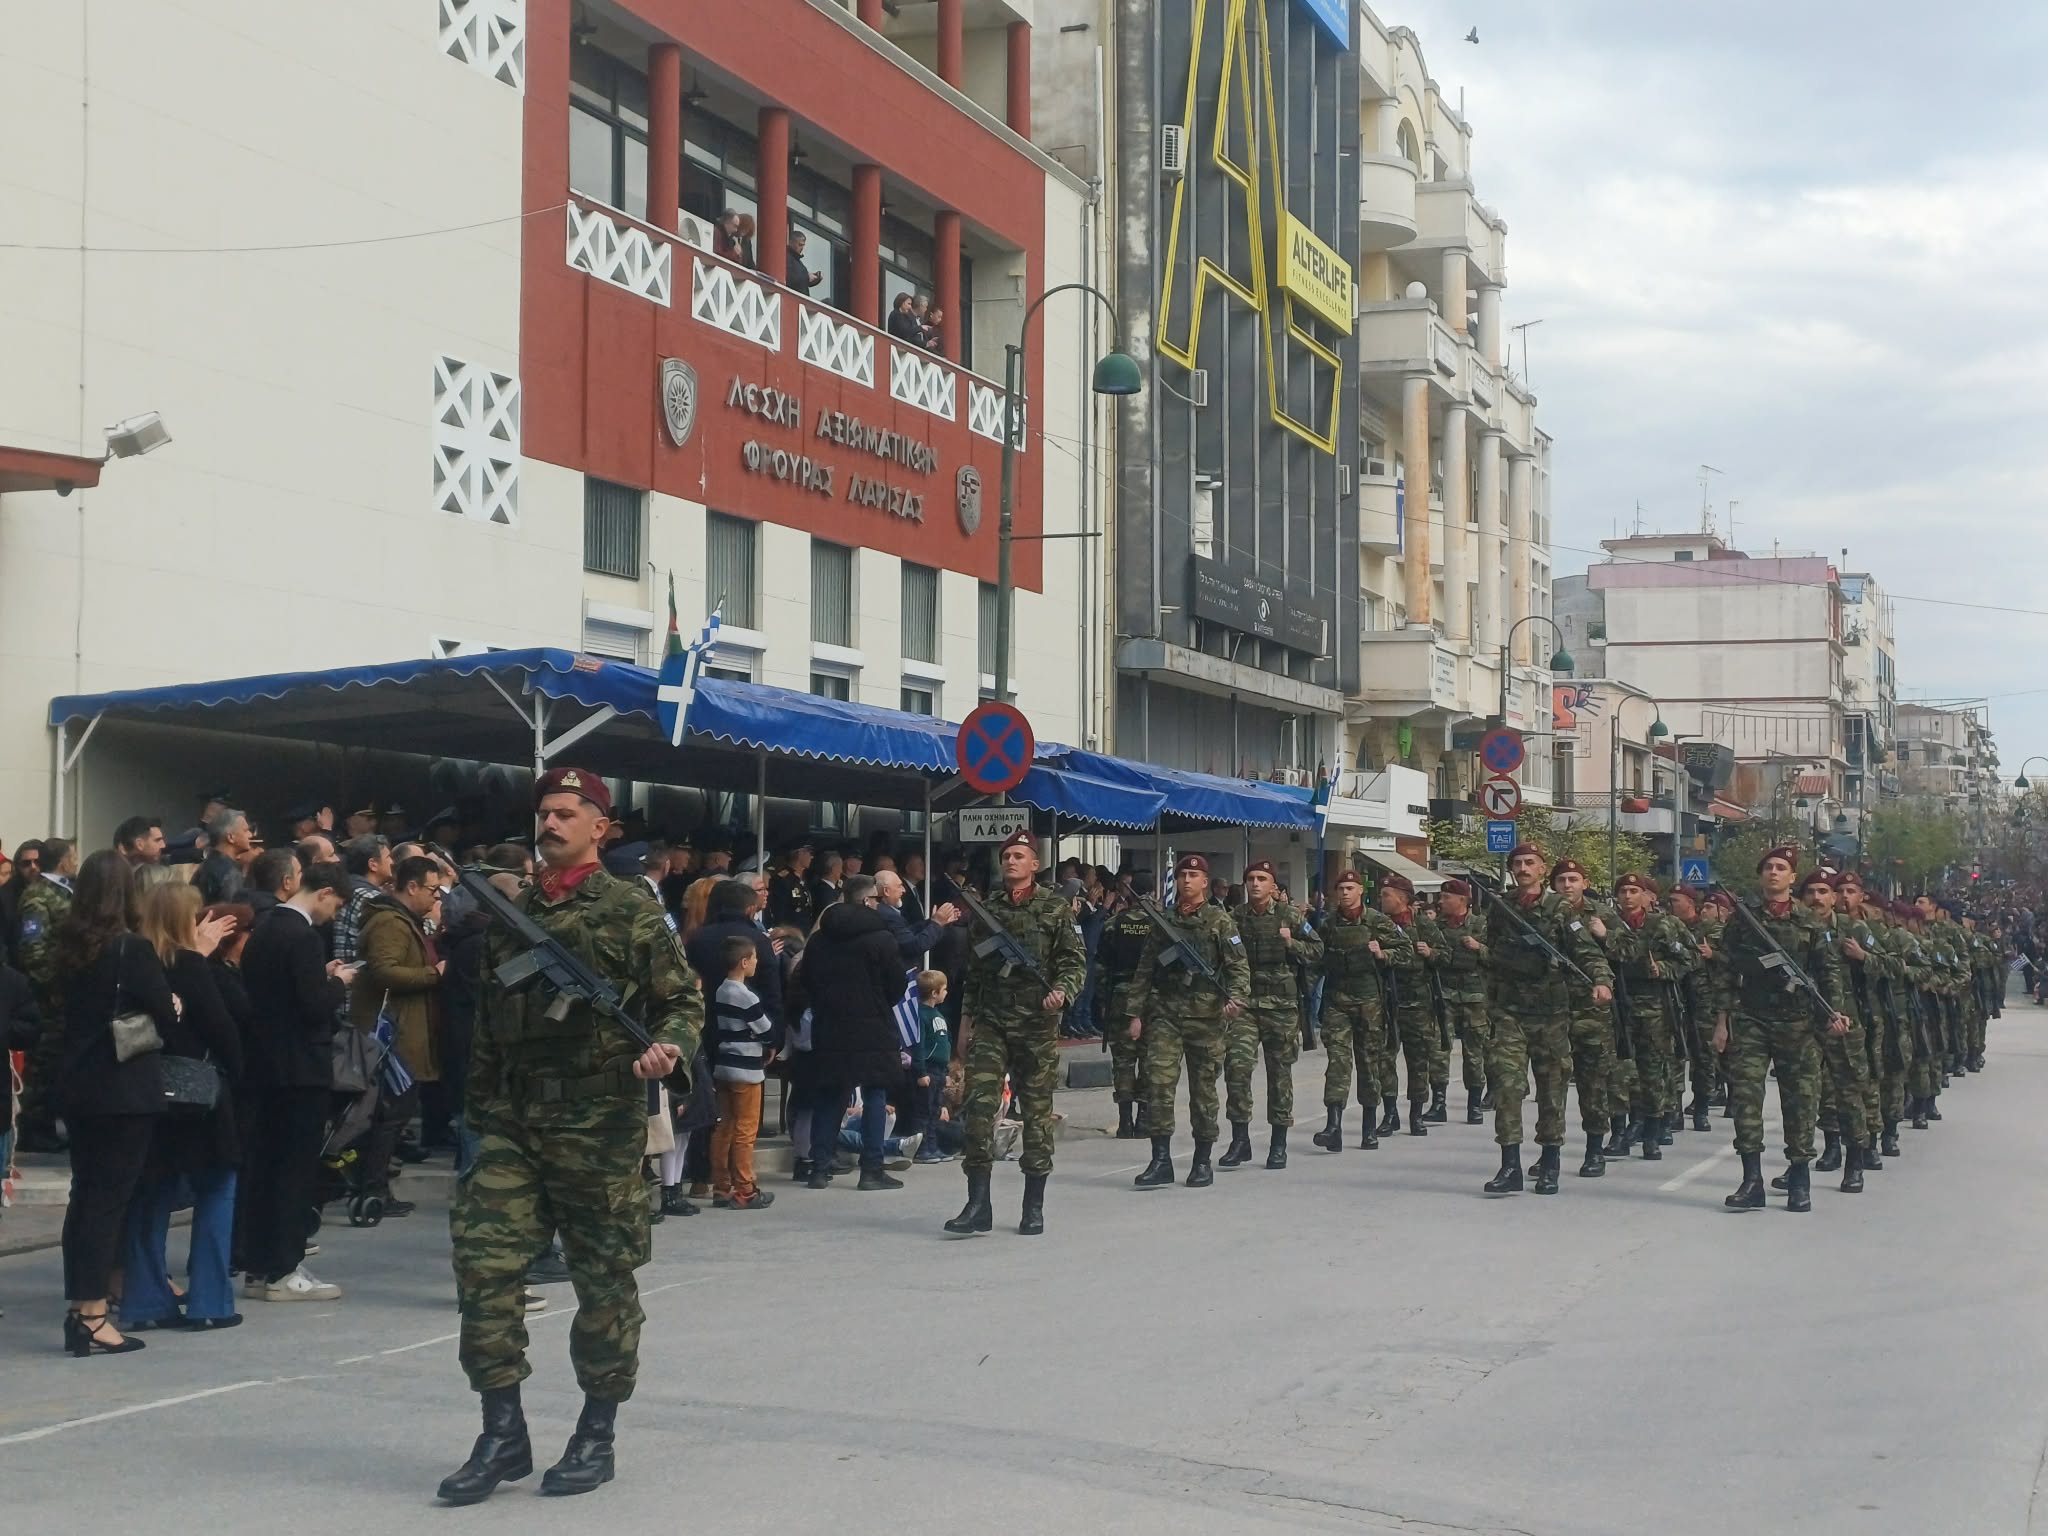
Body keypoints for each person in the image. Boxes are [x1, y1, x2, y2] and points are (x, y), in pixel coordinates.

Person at [440, 767, 699, 1505]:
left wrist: (669, 1049)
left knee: (603, 1280)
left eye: (564, 814)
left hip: (597, 1123)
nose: (548, 824)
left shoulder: (630, 911)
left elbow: (681, 1000)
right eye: (543, 813)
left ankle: (597, 1429)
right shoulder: (506, 918)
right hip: (511, 1122)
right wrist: (480, 1117)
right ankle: (501, 1430)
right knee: (484, 1269)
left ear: (599, 828)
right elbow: (489, 1031)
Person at [51, 851, 177, 1356]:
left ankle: (79, 1306)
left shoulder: (70, 948)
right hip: (124, 1087)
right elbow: (164, 1013)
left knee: (85, 1199)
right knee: (110, 1202)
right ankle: (94, 1313)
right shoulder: (133, 949)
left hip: (80, 1085)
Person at [943, 832, 1087, 1236]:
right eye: (1006, 855)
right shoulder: (987, 911)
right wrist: (966, 1022)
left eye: (1019, 855)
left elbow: (1074, 961)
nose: (1011, 861)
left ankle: (1033, 1204)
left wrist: (1062, 992)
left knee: (1037, 1117)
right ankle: (978, 1204)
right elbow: (975, 973)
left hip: (1036, 1027)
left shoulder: (1055, 910)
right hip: (991, 1023)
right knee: (978, 1111)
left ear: (1034, 864)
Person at [119, 883, 240, 1333]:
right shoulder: (192, 966)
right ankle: (210, 1300)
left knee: (149, 1198)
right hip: (201, 1095)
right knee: (216, 1190)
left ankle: (145, 1300)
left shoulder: (135, 966)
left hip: (150, 1092)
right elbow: (223, 1029)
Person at [1710, 846, 1851, 1212]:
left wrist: (1834, 1012)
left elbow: (1829, 971)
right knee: (1745, 1099)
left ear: (1792, 878)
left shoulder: (1810, 922)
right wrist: (1722, 1021)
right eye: (1768, 868)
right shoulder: (1742, 920)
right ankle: (1751, 1179)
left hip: (1799, 1022)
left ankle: (1799, 1178)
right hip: (1751, 1018)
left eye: (1781, 868)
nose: (1774, 873)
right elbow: (1724, 970)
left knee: (1801, 1100)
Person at [240, 861, 353, 1302]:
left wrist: (318, 978)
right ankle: (285, 1268)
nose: (335, 914)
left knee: (266, 1166)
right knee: (294, 1169)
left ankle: (258, 1264)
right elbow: (311, 1006)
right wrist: (338, 982)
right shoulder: (303, 936)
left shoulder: (265, 929)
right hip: (301, 1068)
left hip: (265, 1065)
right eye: (337, 904)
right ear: (324, 892)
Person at [1476, 844, 1611, 1196]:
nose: (1522, 868)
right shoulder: (1500, 906)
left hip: (1551, 1013)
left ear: (1541, 869)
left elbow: (1585, 949)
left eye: (1529, 863)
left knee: (1551, 1090)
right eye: (1517, 863)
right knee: (1506, 1086)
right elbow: (1491, 950)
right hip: (1509, 1012)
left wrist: (1601, 980)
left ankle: (1550, 1162)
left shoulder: (1560, 908)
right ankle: (1510, 1165)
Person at [1122, 853, 1249, 1194]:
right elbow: (1145, 969)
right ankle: (1160, 1160)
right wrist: (1135, 1013)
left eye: (1194, 875)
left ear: (1206, 882)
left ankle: (1202, 1159)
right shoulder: (1163, 921)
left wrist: (1236, 998)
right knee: (1158, 1085)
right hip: (1165, 1014)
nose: (1187, 880)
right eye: (1182, 875)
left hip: (1206, 1017)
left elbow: (1237, 967)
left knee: (1203, 1091)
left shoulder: (1220, 922)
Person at [791, 875, 907, 1194]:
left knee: (830, 1094)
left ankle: (819, 1167)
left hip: (830, 1024)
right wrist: (878, 1003)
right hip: (873, 1026)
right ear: (868, 901)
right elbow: (897, 983)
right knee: (875, 1094)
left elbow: (807, 980)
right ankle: (871, 1167)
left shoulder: (819, 939)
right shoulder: (881, 939)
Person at [349, 854, 445, 1214]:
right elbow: (385, 972)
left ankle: (376, 1185)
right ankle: (372, 1187)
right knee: (389, 1116)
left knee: (393, 1116)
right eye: (433, 890)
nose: (437, 898)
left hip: (404, 1032)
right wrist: (434, 974)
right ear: (412, 886)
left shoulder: (404, 921)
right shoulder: (391, 922)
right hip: (393, 1038)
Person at [1220, 860, 1321, 1170]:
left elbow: (1317, 950)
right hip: (1245, 1005)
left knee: (1279, 1075)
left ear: (1273, 885)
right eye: (1250, 878)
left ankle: (1279, 1143)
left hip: (1281, 1006)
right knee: (1237, 1068)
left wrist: (1292, 943)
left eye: (1262, 879)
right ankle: (1240, 1140)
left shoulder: (1290, 916)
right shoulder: (1234, 917)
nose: (1255, 884)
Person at [1309, 869, 1410, 1153]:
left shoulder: (1377, 921)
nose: (1345, 893)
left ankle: (1369, 1128)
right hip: (1337, 1001)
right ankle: (1333, 1126)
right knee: (1338, 1062)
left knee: (1368, 1063)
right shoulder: (1328, 925)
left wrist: (1383, 954)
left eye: (1350, 888)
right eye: (1340, 888)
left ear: (1360, 892)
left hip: (1370, 1003)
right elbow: (1317, 959)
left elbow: (1406, 951)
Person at [707, 934, 775, 1211]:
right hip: (746, 1068)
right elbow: (766, 1029)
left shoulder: (721, 989)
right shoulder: (745, 995)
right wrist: (770, 1044)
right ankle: (745, 1188)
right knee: (746, 1130)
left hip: (724, 1063)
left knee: (724, 1126)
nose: (757, 963)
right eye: (755, 958)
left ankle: (721, 1186)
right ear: (744, 962)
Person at [1375, 872, 1437, 1136]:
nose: (1382, 900)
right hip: (1387, 1000)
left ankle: (1416, 1113)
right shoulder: (1377, 924)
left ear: (1402, 898)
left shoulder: (1423, 925)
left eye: (1386, 896)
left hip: (1417, 1003)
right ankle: (1390, 1114)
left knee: (1418, 1060)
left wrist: (1431, 953)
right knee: (1385, 1059)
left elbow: (1446, 955)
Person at [1095, 874, 1156, 1138]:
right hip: (1152, 998)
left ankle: (1125, 1121)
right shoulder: (1159, 924)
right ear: (1153, 892)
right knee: (1149, 1058)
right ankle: (1143, 1119)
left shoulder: (1113, 923)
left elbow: (1099, 967)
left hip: (1119, 995)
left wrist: (1102, 1000)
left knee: (1123, 1060)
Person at [1430, 879, 1492, 1124]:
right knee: (1438, 1050)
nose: (1441, 901)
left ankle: (1474, 1104)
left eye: (1446, 897)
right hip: (1444, 994)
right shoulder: (1436, 926)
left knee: (1474, 1052)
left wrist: (1479, 948)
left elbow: (1497, 957)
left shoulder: (1481, 925)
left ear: (1462, 900)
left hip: (1474, 997)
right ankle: (1438, 1102)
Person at [910, 969, 951, 1163]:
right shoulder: (922, 1015)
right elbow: (919, 1046)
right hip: (928, 1070)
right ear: (934, 993)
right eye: (944, 989)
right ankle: (922, 1148)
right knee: (924, 1111)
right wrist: (920, 1071)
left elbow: (945, 1043)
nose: (946, 993)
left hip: (940, 1070)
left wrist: (947, 1071)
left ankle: (933, 1146)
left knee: (935, 1110)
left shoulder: (938, 1014)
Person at [195, 808, 256, 904]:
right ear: (231, 837)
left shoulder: (206, 865)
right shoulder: (229, 872)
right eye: (245, 830)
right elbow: (233, 911)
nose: (250, 835)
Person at [768, 843, 816, 933]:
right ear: (800, 854)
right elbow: (779, 911)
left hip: (804, 930)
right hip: (790, 933)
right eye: (809, 853)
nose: (811, 857)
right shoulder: (783, 879)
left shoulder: (805, 878)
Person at [785, 228, 822, 293]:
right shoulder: (786, 257)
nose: (802, 248)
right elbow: (790, 278)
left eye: (803, 245)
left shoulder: (798, 262)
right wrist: (807, 277)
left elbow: (803, 284)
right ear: (790, 242)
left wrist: (815, 280)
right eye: (800, 245)